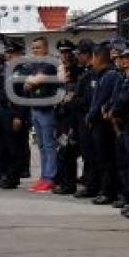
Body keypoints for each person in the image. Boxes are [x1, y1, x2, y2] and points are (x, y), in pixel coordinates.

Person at [86, 42, 123, 206]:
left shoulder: (109, 76)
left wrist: (90, 116)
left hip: (103, 124)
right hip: (98, 122)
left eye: (94, 57)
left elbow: (101, 101)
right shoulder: (101, 75)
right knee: (101, 159)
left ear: (98, 57)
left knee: (106, 159)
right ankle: (106, 190)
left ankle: (109, 192)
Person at [23, 36, 61, 193]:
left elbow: (34, 82)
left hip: (47, 110)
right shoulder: (34, 66)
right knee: (41, 146)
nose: (35, 51)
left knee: (49, 145)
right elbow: (26, 85)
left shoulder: (50, 64)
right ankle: (44, 176)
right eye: (33, 48)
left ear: (46, 48)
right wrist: (31, 81)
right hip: (35, 109)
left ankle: (50, 177)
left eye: (38, 48)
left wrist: (31, 81)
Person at [108, 42, 129, 218]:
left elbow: (126, 99)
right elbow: (118, 98)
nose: (125, 60)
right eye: (124, 57)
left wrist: (116, 110)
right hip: (127, 125)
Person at [0, 40, 30, 190]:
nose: (8, 55)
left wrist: (19, 116)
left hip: (14, 111)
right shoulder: (2, 70)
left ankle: (13, 176)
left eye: (11, 52)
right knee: (0, 145)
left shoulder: (23, 71)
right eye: (7, 52)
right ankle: (3, 174)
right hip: (1, 110)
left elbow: (24, 96)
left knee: (15, 146)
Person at [52, 39, 81, 195]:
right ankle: (63, 181)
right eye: (62, 52)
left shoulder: (77, 71)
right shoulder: (61, 70)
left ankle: (68, 184)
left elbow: (73, 95)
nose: (64, 55)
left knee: (68, 151)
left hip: (72, 117)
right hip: (62, 116)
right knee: (62, 150)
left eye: (67, 52)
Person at [72, 39, 98, 199]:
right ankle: (90, 182)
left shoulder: (91, 73)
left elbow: (88, 98)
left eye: (80, 54)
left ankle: (92, 185)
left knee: (90, 154)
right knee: (86, 153)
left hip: (87, 118)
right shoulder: (85, 71)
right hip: (81, 118)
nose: (77, 57)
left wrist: (72, 100)